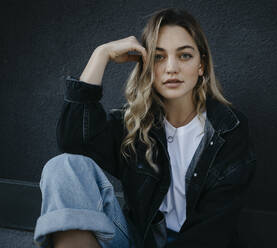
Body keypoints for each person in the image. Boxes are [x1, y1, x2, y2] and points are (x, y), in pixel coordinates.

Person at [33, 7, 256, 248]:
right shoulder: (134, 122)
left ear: (201, 65)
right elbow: (73, 142)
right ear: (147, 65)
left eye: (184, 56)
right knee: (63, 166)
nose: (171, 68)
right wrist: (101, 54)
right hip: (140, 241)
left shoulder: (228, 127)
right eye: (159, 57)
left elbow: (215, 227)